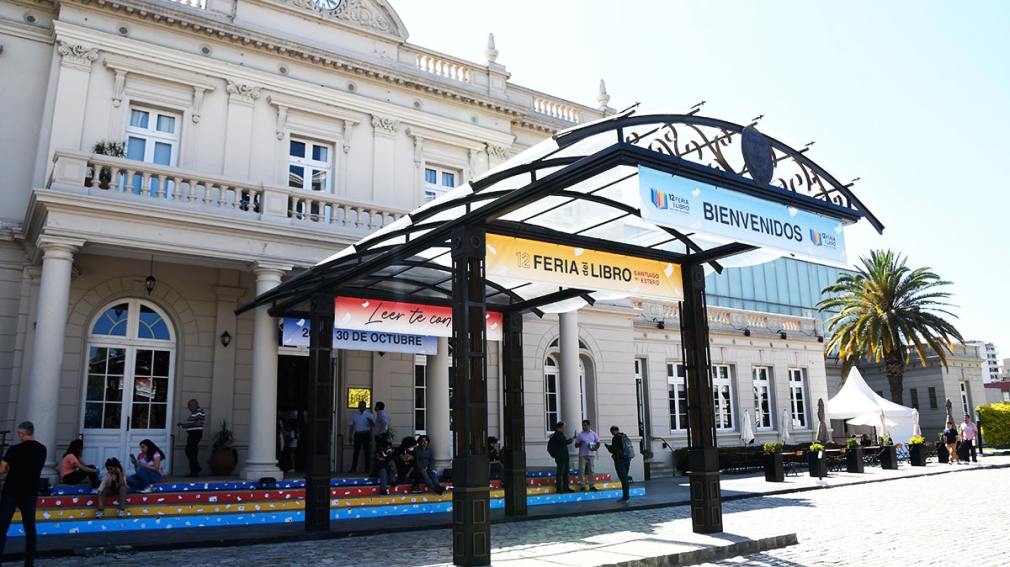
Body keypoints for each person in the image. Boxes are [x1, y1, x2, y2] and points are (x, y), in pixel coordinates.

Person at [0, 421, 47, 565]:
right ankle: (29, 562)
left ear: (21, 434)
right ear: (32, 432)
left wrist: (10, 467)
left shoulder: (14, 449)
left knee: (2, 527)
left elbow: (2, 469)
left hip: (11, 490)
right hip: (30, 491)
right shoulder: (42, 449)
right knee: (30, 528)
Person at [176, 398, 205, 478]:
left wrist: (185, 425)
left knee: (190, 451)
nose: (188, 407)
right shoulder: (194, 413)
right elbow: (193, 423)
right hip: (193, 434)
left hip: (195, 434)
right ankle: (194, 471)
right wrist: (184, 425)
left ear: (195, 405)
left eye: (189, 405)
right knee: (192, 452)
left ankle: (196, 469)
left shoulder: (199, 411)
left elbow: (198, 423)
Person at [605, 426, 633, 501]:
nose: (612, 433)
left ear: (613, 431)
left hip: (619, 460)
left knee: (623, 478)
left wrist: (608, 447)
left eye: (611, 432)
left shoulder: (615, 438)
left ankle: (625, 497)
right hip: (627, 459)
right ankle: (626, 496)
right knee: (625, 477)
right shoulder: (624, 436)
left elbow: (613, 449)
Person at [347, 400, 374, 473]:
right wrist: (350, 435)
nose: (361, 407)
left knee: (367, 452)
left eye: (363, 406)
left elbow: (373, 426)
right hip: (358, 434)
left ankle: (367, 469)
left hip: (366, 434)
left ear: (365, 407)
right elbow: (351, 426)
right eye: (360, 406)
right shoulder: (354, 415)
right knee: (356, 452)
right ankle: (353, 468)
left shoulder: (369, 415)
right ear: (358, 406)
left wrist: (370, 422)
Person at [547, 421, 573, 494]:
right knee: (561, 472)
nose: (564, 428)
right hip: (561, 456)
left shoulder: (558, 434)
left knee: (565, 472)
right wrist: (572, 439)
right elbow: (564, 442)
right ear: (560, 427)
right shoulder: (558, 435)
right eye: (563, 427)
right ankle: (560, 488)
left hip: (563, 456)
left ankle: (565, 487)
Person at [574, 420, 600, 492]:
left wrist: (595, 448)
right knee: (581, 470)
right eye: (583, 425)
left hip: (591, 454)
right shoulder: (580, 435)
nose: (584, 426)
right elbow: (576, 445)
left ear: (589, 425)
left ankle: (591, 485)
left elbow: (598, 443)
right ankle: (582, 485)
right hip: (582, 455)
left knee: (591, 470)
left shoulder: (594, 434)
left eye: (585, 425)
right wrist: (580, 444)